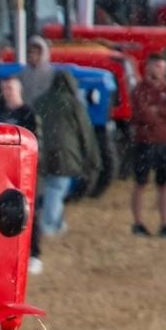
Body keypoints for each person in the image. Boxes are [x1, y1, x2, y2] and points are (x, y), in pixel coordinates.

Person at [31, 70, 100, 238]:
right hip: (66, 153)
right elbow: (86, 133)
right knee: (57, 187)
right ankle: (48, 226)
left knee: (52, 186)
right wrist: (93, 158)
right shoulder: (74, 104)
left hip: (43, 151)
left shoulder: (40, 101)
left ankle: (58, 224)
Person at [128, 55, 166, 238]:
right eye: (157, 67)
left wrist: (159, 110)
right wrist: (160, 115)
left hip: (164, 142)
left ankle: (165, 223)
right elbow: (143, 114)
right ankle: (138, 223)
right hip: (145, 142)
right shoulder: (140, 89)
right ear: (149, 67)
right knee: (140, 183)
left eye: (163, 68)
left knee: (163, 185)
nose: (161, 71)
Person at [0, 76, 44, 274]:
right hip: (5, 171)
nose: (8, 92)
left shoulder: (28, 114)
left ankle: (35, 254)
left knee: (29, 211)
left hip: (25, 170)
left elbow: (36, 143)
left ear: (19, 90)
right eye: (5, 89)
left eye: (11, 88)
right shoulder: (1, 113)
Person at [19, 36, 54, 104]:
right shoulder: (20, 75)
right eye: (30, 52)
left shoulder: (54, 75)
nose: (33, 56)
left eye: (37, 53)